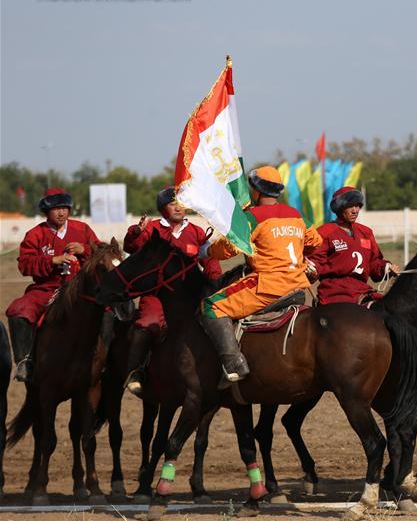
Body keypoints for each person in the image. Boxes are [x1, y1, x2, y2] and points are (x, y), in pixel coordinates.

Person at [200, 166, 322, 384]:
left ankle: (233, 363)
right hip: (299, 287)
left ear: (256, 191)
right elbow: (316, 242)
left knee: (211, 306)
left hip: (268, 287)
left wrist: (206, 250)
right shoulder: (295, 214)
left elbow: (228, 249)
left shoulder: (253, 217)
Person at [121, 187, 223, 396]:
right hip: (157, 295)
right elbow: (132, 246)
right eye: (172, 203)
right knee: (148, 324)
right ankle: (136, 371)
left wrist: (215, 282)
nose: (178, 207)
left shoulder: (195, 231)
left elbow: (209, 259)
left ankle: (218, 367)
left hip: (190, 296)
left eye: (181, 203)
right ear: (162, 208)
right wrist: (136, 233)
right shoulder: (152, 229)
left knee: (212, 322)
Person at [5, 188, 100, 382]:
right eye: (56, 208)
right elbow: (24, 264)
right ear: (46, 211)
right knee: (18, 310)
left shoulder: (82, 229)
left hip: (79, 288)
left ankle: (110, 360)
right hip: (46, 289)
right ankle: (25, 361)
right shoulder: (35, 234)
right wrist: (52, 261)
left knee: (111, 308)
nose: (62, 212)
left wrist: (85, 249)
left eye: (65, 207)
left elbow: (102, 253)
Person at [306, 186, 394, 305]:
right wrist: (310, 270)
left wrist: (387, 268)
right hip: (334, 293)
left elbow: (374, 263)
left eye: (357, 206)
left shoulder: (366, 232)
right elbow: (314, 264)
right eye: (350, 206)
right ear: (340, 208)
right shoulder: (324, 232)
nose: (355, 210)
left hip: (363, 291)